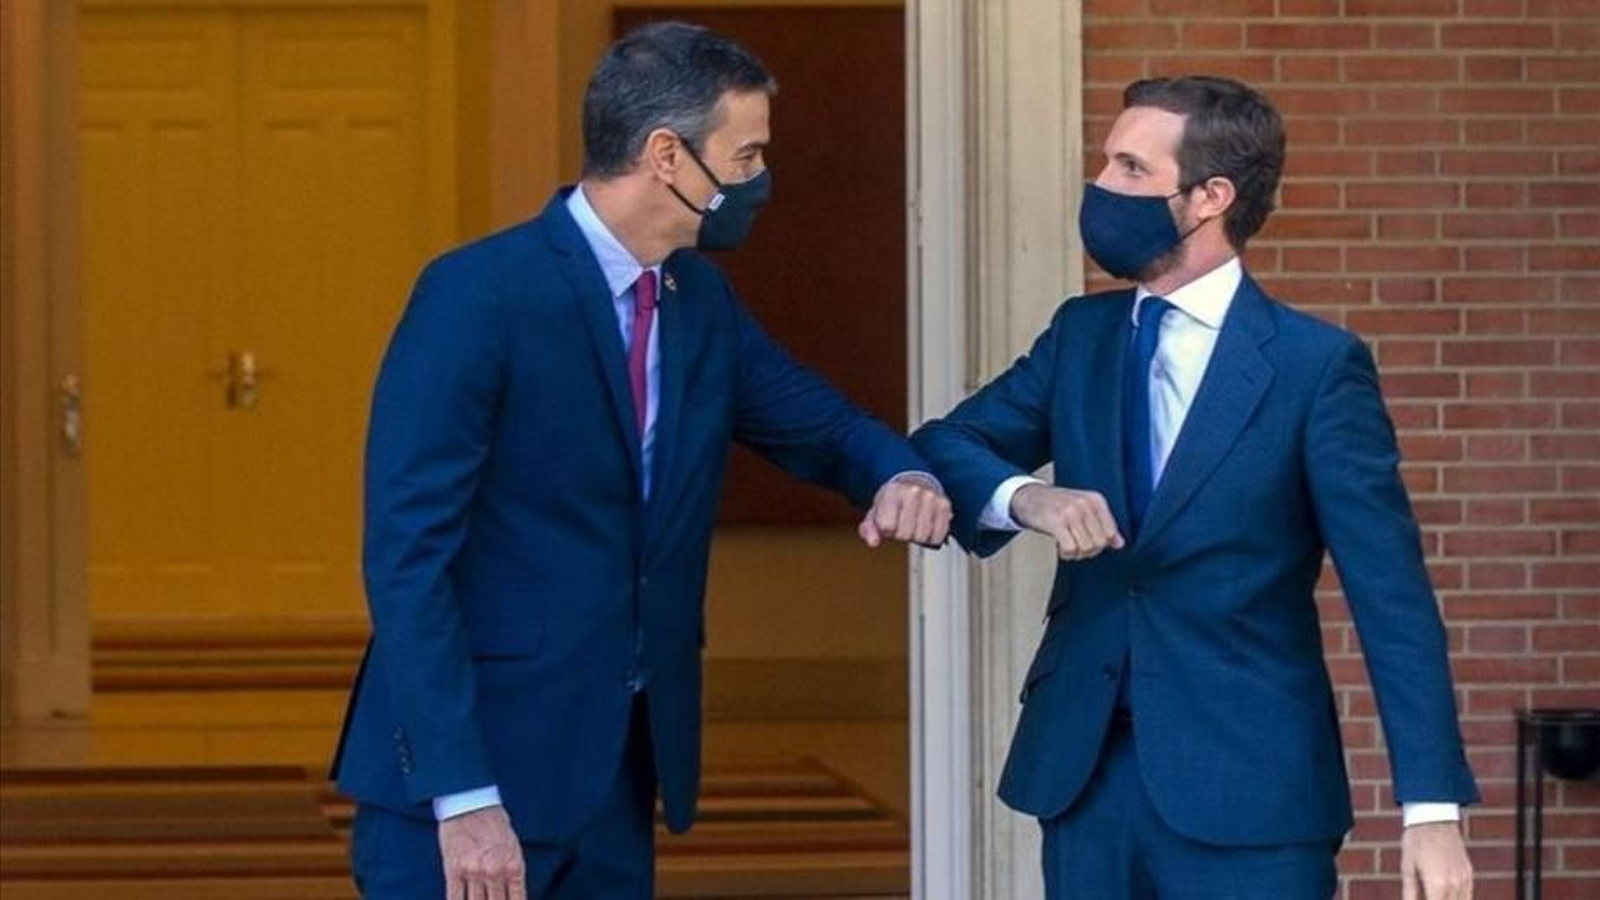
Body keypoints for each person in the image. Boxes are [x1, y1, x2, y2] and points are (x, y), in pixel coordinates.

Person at [330, 22, 950, 898]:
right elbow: (408, 556)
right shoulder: (477, 295)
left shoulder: (701, 298)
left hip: (618, 782)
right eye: (746, 156)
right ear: (667, 155)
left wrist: (903, 474)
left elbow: (821, 424)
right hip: (472, 787)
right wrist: (461, 794)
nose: (760, 181)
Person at [912, 76, 1477, 900]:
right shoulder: (1082, 335)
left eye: (1131, 170)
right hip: (1084, 778)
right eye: (1104, 164)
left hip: (1254, 794)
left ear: (1211, 196)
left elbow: (1390, 596)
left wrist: (1432, 806)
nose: (1101, 188)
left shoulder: (1314, 368)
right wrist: (1029, 499)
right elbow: (947, 443)